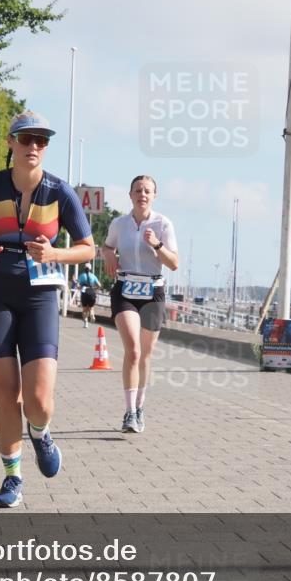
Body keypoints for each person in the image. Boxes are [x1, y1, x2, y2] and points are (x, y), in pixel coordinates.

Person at [0, 111, 94, 508]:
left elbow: (88, 247)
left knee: (39, 400)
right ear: (10, 142)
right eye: (26, 139)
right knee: (6, 392)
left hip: (40, 295)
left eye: (42, 140)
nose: (34, 146)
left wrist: (55, 252)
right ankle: (12, 477)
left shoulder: (60, 192)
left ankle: (41, 432)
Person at [102, 175, 179, 433]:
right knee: (132, 351)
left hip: (153, 292)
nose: (142, 194)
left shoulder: (163, 224)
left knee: (145, 355)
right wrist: (109, 256)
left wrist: (156, 244)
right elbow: (107, 246)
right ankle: (129, 412)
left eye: (147, 191)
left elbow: (174, 263)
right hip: (125, 290)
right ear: (130, 195)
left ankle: (140, 406)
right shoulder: (119, 223)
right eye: (138, 190)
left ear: (154, 196)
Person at [77, 262, 101, 328]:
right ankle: (92, 315)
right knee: (91, 308)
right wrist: (94, 289)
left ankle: (86, 323)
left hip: (84, 292)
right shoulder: (93, 276)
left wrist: (80, 287)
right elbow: (99, 285)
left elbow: (78, 285)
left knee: (84, 309)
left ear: (84, 268)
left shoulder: (81, 275)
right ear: (90, 269)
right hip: (91, 292)